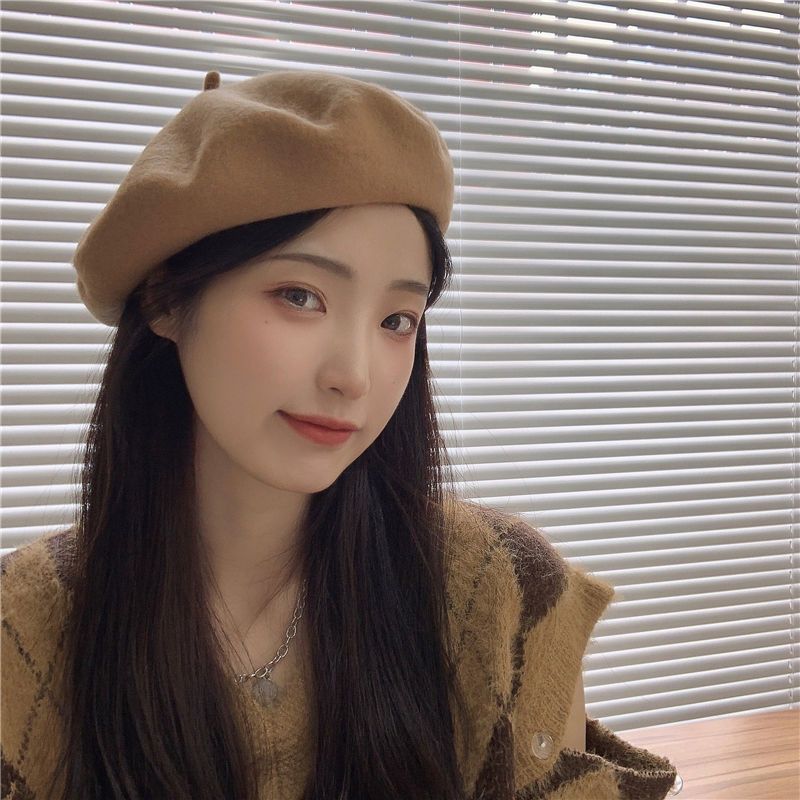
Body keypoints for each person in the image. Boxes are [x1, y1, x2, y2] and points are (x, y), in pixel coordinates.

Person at [0, 69, 681, 799]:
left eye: (397, 320)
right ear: (166, 300)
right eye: (300, 296)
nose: (354, 376)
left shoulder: (498, 590)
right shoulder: (26, 628)